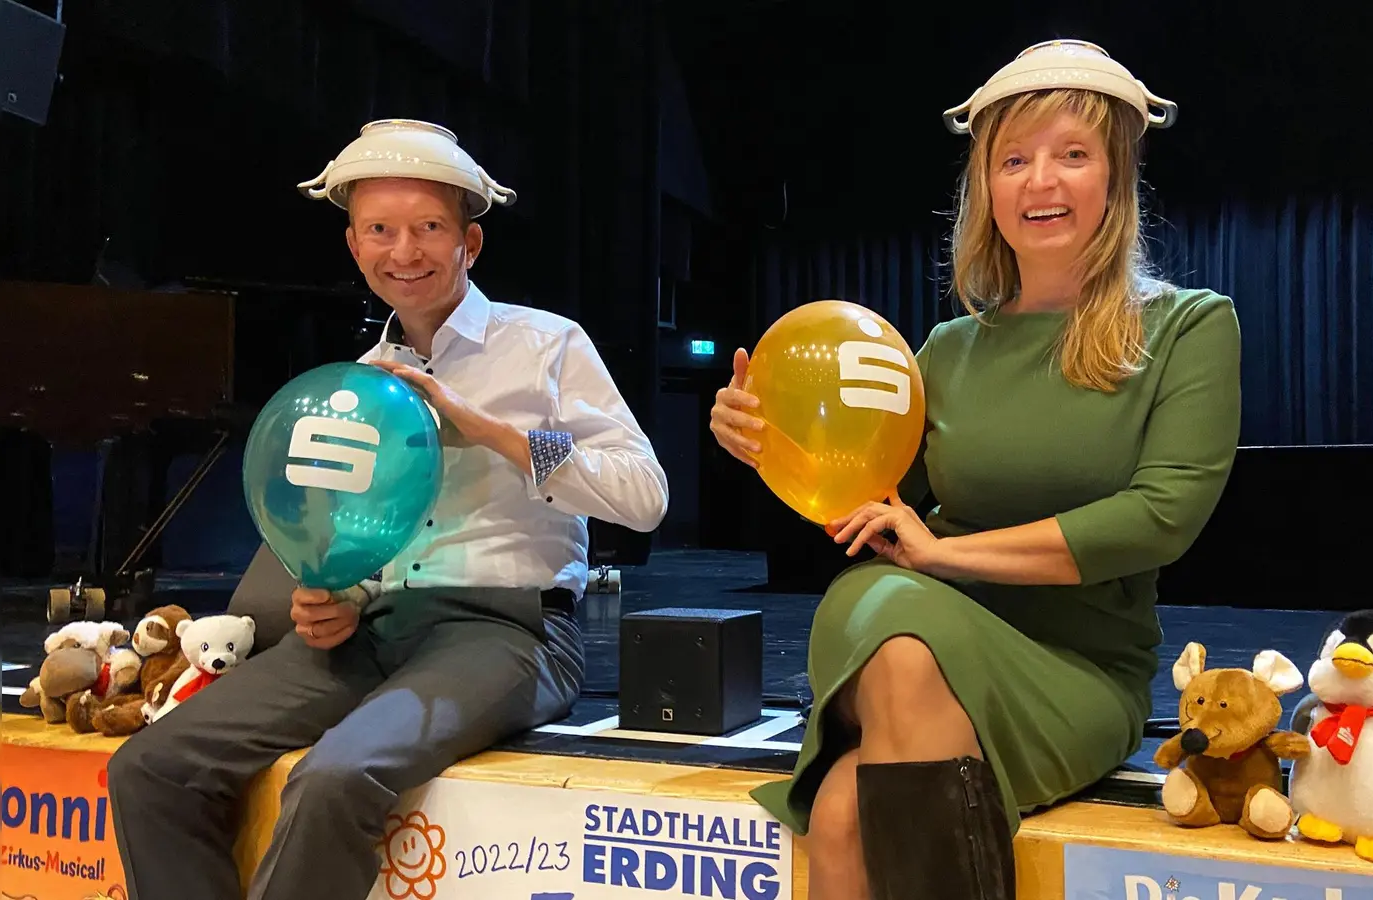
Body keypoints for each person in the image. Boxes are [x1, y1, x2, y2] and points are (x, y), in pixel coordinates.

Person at [709, 40, 1240, 900]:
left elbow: (1161, 517)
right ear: (985, 188)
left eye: (1073, 155)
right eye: (1014, 160)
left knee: (845, 807)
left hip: (1078, 671)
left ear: (1116, 177)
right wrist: (769, 444)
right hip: (909, 625)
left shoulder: (1189, 328)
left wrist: (942, 555)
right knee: (900, 631)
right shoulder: (946, 352)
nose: (1041, 182)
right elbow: (869, 510)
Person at [107, 119, 669, 900]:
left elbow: (645, 496)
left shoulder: (546, 346)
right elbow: (349, 530)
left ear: (471, 243)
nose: (404, 251)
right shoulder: (359, 380)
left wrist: (497, 435)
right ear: (353, 246)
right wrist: (328, 596)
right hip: (373, 630)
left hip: (510, 630)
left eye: (429, 228)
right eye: (380, 230)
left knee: (336, 776)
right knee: (151, 767)